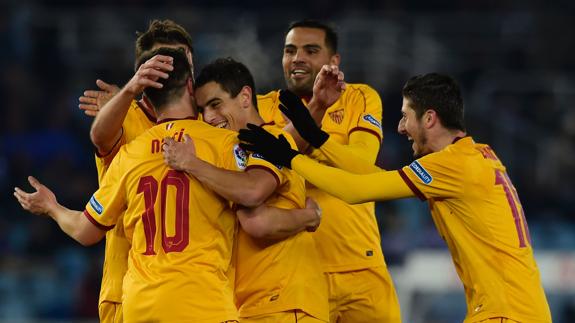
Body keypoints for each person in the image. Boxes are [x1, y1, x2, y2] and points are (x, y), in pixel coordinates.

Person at [239, 73, 553, 323]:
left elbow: (356, 190)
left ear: (429, 119)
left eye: (405, 117)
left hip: (503, 314)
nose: (401, 128)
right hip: (520, 309)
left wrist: (288, 156)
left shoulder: (452, 166)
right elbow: (372, 176)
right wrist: (317, 136)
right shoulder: (476, 155)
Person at [15, 47, 241, 322]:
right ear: (191, 86)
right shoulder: (224, 142)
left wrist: (51, 207)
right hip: (202, 301)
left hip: (141, 305)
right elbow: (254, 195)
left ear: (146, 96)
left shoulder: (129, 154)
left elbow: (86, 231)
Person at [162, 57, 328, 322]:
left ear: (244, 97)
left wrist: (191, 163)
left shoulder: (272, 140)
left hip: (284, 303)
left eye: (216, 104)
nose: (209, 117)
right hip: (251, 305)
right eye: (202, 109)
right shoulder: (227, 154)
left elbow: (256, 217)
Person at [256, 20, 401, 322]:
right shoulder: (262, 108)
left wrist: (297, 149)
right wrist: (326, 153)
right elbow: (259, 176)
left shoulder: (359, 97)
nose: (298, 58)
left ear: (333, 61)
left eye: (311, 50)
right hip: (296, 276)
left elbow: (362, 169)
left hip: (361, 268)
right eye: (290, 50)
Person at [78, 19, 194, 323]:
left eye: (181, 58)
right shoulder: (123, 117)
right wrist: (125, 97)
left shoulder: (210, 122)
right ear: (142, 70)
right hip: (127, 286)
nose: (173, 67)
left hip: (195, 289)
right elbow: (100, 137)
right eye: (162, 61)